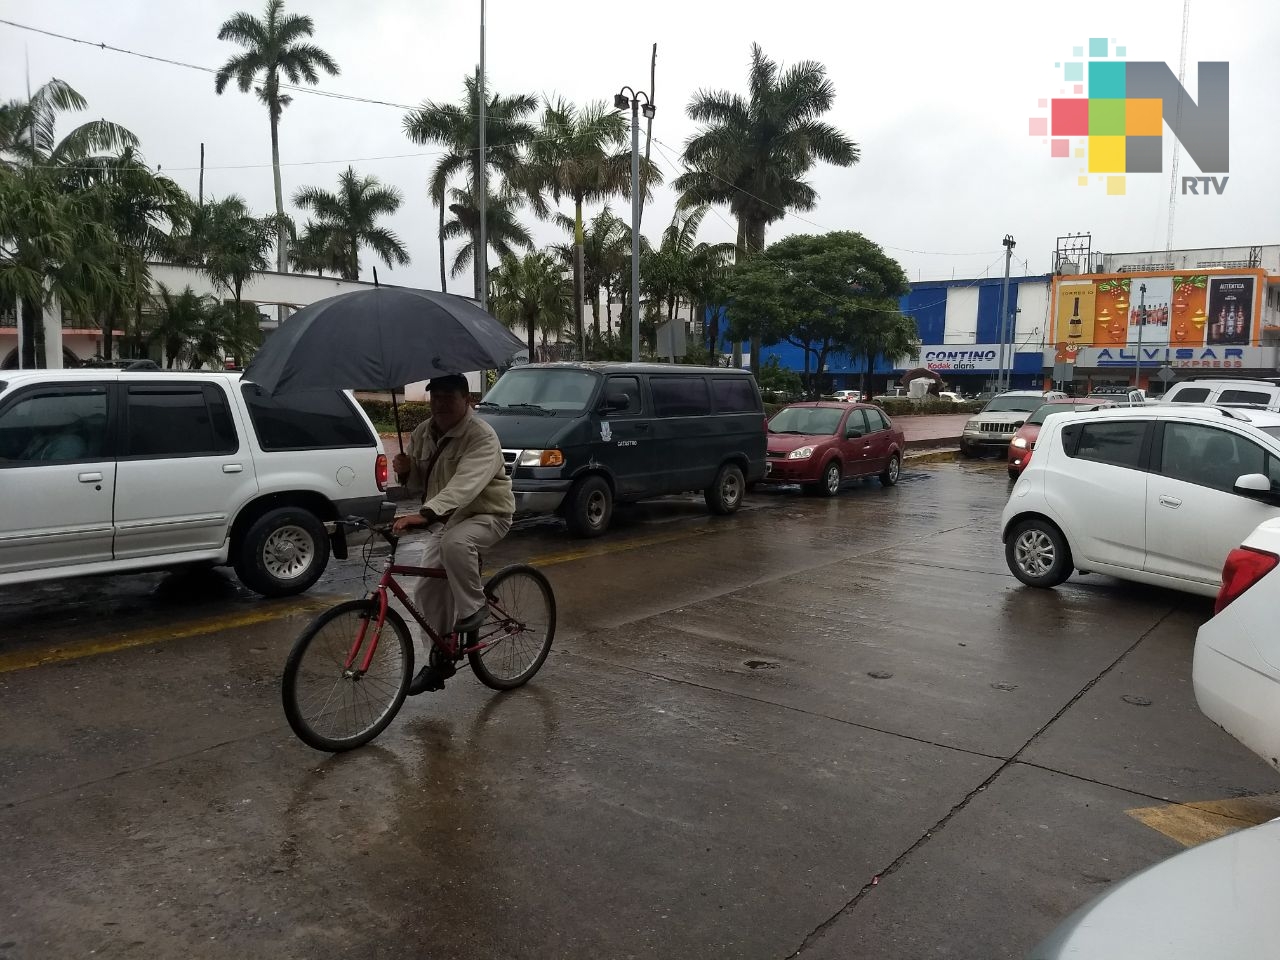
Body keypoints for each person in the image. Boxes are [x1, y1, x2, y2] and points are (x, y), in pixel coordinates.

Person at [391, 374, 515, 694]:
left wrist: (424, 515)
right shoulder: (423, 432)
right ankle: (439, 660)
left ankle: (474, 607)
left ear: (467, 401)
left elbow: (465, 485)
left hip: (488, 514)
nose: (441, 404)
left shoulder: (481, 436)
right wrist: (406, 472)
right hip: (447, 519)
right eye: (436, 397)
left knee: (455, 543)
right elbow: (420, 484)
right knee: (427, 590)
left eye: (449, 397)